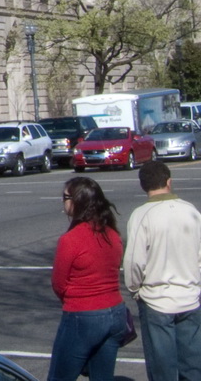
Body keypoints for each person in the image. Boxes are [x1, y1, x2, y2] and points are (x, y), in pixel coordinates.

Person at [123, 159, 201, 381]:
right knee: (193, 367)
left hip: (157, 300)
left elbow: (134, 262)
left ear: (143, 186)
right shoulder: (191, 211)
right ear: (169, 182)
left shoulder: (141, 215)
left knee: (162, 370)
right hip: (190, 297)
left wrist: (135, 289)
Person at [49, 176, 126, 381]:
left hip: (84, 315)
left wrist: (75, 300)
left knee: (59, 376)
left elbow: (58, 283)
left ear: (78, 201)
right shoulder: (112, 234)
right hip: (116, 313)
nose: (63, 201)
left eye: (66, 197)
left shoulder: (70, 240)